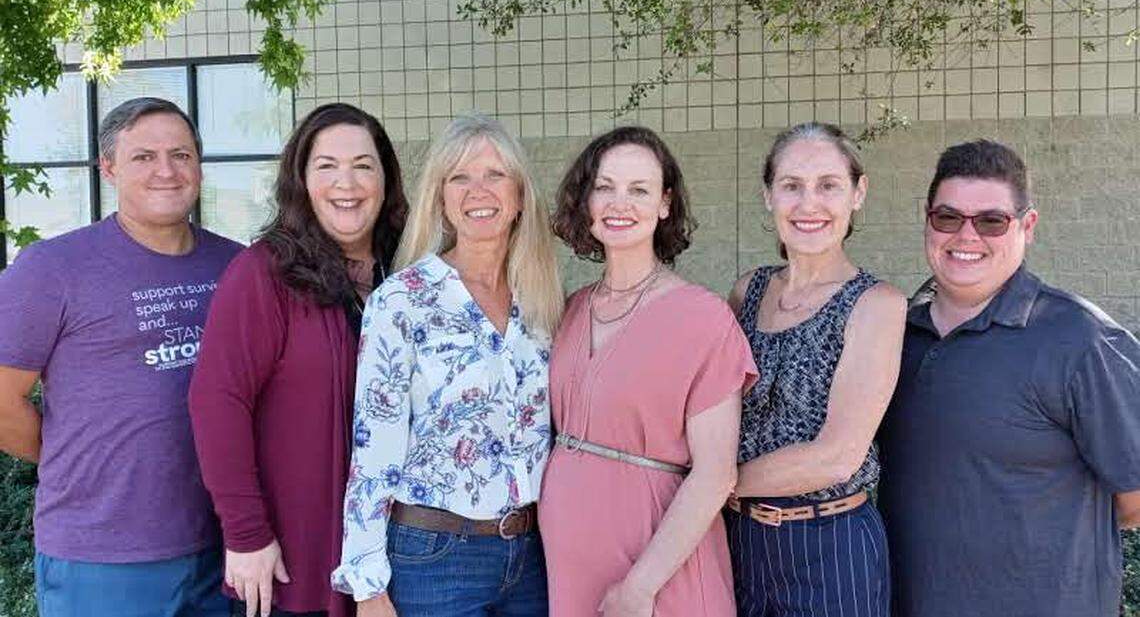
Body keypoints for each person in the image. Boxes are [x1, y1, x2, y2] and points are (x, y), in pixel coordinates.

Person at [876, 139, 1140, 617]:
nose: (966, 236)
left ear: (1028, 226)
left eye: (992, 221)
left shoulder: (1079, 338)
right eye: (948, 217)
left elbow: (1136, 496)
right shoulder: (893, 334)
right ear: (927, 219)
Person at [0, 97, 242, 616]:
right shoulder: (53, 268)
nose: (166, 171)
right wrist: (72, 461)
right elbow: (1, 401)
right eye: (143, 157)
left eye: (181, 154)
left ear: (199, 165)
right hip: (101, 557)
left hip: (220, 547)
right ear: (107, 168)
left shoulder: (236, 265)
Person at [331, 114, 563, 617]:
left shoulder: (543, 300)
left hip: (532, 555)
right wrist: (368, 586)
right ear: (440, 198)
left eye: (495, 175)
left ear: (520, 195)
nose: (478, 190)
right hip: (435, 557)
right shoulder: (402, 301)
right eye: (459, 177)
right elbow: (374, 449)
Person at [189, 103, 408, 617]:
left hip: (404, 557)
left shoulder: (409, 270)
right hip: (296, 562)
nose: (346, 183)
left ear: (386, 178)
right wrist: (245, 534)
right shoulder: (264, 274)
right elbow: (217, 403)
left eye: (363, 165)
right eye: (326, 166)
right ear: (301, 181)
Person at [539, 125, 757, 617]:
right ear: (586, 201)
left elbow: (715, 472)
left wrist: (641, 585)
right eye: (605, 187)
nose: (621, 203)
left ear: (664, 204)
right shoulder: (571, 311)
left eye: (639, 190)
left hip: (656, 567)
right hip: (570, 567)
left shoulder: (703, 317)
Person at [725, 122, 906, 617]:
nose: (809, 205)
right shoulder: (747, 291)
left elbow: (836, 456)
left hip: (828, 547)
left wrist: (709, 486)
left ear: (857, 193)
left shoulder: (875, 304)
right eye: (792, 186)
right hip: (735, 541)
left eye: (828, 185)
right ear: (769, 196)